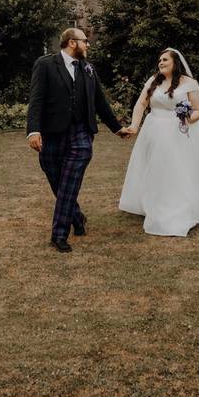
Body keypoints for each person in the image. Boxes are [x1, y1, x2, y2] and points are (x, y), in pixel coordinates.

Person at [117, 48, 199, 236]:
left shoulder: (189, 83)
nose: (160, 63)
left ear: (175, 63)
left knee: (176, 168)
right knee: (153, 166)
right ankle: (153, 201)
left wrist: (186, 119)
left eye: (165, 60)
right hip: (153, 130)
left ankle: (177, 204)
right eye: (159, 60)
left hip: (178, 131)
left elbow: (198, 111)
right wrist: (135, 126)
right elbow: (141, 104)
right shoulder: (154, 81)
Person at [26, 28, 131, 253]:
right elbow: (36, 100)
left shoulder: (88, 69)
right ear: (72, 43)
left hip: (81, 134)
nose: (88, 45)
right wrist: (33, 131)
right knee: (59, 182)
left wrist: (116, 128)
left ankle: (59, 234)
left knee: (70, 182)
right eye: (85, 41)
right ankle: (77, 216)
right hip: (52, 134)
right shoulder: (45, 65)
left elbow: (100, 102)